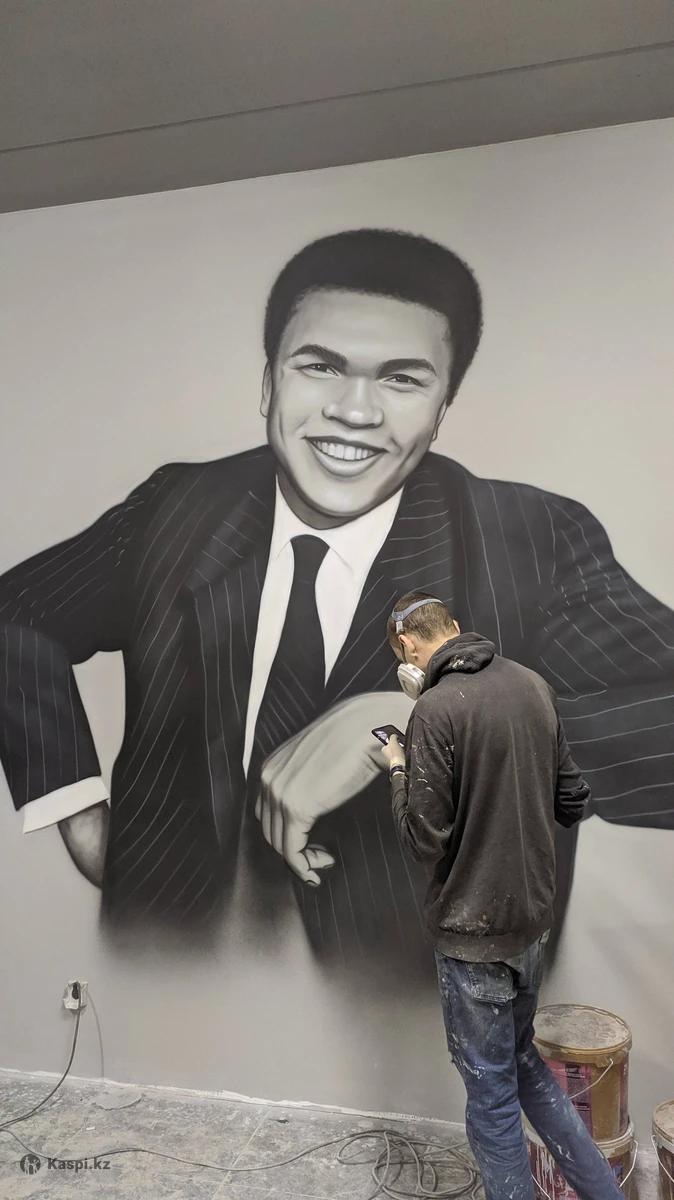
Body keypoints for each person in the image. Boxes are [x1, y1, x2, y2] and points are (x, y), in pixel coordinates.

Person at [0, 229, 672, 965]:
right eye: (321, 366)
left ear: (443, 407)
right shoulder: (176, 506)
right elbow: (16, 613)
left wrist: (427, 724)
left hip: (416, 1002)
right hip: (166, 973)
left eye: (402, 380)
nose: (355, 412)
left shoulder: (533, 538)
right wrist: (76, 809)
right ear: (269, 382)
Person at [380, 591, 623, 1200]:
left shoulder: (435, 709)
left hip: (473, 937)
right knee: (525, 1069)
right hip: (530, 924)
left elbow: (423, 841)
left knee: (491, 1097)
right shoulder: (533, 686)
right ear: (455, 627)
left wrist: (399, 767)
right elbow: (573, 801)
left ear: (406, 646)